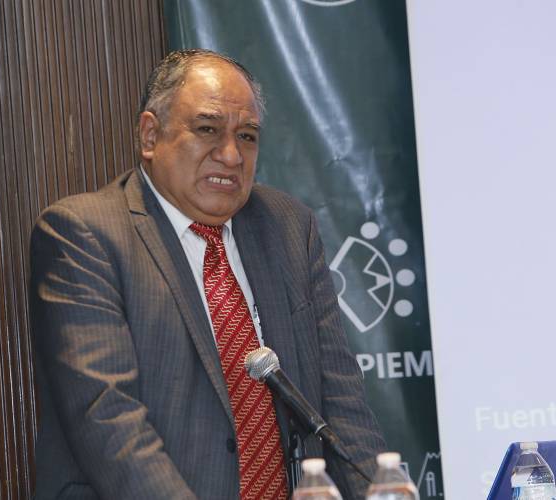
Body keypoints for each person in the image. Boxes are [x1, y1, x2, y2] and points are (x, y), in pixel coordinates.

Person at [30, 49, 386, 499]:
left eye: (247, 136)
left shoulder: (289, 228)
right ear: (150, 135)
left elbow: (342, 405)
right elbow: (108, 418)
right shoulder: (85, 235)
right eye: (208, 129)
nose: (232, 155)